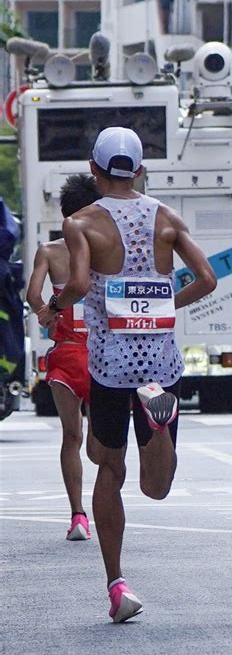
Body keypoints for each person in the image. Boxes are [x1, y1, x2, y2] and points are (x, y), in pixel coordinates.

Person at [38, 127, 216, 623]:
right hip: (161, 362)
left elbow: (76, 283)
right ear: (139, 170)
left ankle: (117, 585)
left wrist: (53, 309)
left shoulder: (80, 223)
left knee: (106, 468)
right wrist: (165, 304)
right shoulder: (167, 217)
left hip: (111, 364)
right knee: (156, 486)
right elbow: (207, 278)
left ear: (95, 171)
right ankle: (157, 424)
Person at [27, 174, 101, 540]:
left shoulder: (50, 251)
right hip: (102, 355)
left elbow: (32, 294)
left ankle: (78, 517)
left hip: (66, 354)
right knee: (101, 443)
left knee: (70, 436)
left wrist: (48, 313)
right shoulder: (107, 251)